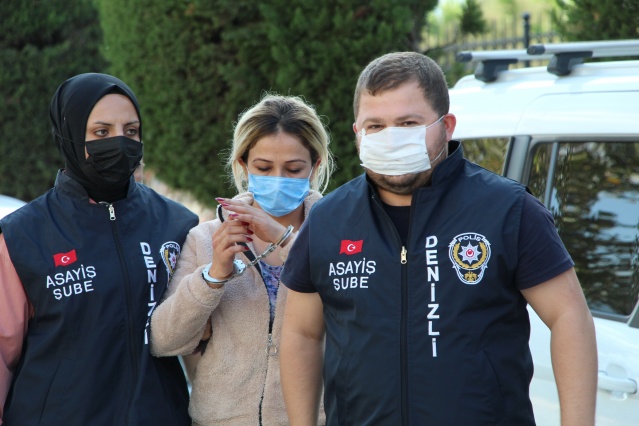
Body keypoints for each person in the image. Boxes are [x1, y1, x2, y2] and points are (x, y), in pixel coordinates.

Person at [279, 52, 598, 425]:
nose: (391, 138)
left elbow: (568, 316)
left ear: (446, 126)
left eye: (408, 123)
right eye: (375, 126)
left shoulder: (508, 210)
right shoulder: (328, 219)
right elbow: (301, 333)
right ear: (357, 132)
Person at [0, 73, 199, 425]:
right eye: (102, 132)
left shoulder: (176, 223)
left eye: (131, 131)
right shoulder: (23, 235)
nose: (120, 142)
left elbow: (198, 341)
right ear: (70, 134)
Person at [150, 94, 334, 425]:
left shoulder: (339, 235)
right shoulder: (206, 238)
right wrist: (213, 276)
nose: (278, 179)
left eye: (293, 169)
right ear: (243, 164)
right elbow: (164, 341)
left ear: (315, 166)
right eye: (264, 168)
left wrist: (286, 240)